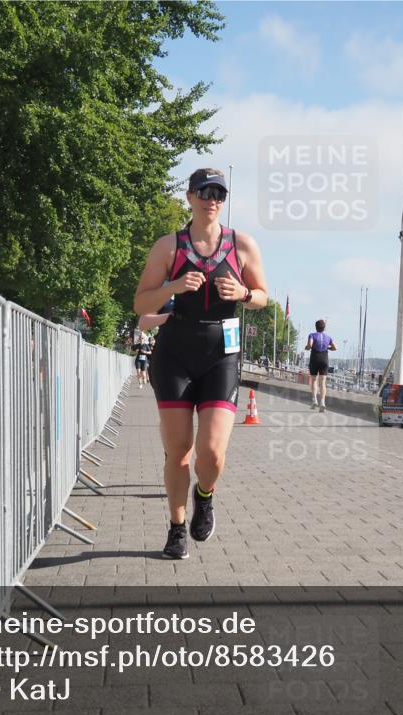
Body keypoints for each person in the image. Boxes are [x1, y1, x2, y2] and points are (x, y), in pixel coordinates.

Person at [134, 168, 268, 560]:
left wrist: (243, 293)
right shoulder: (168, 247)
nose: (212, 199)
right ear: (190, 197)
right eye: (204, 192)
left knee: (211, 454)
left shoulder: (241, 244)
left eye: (219, 194)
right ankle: (177, 528)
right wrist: (174, 287)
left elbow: (263, 295)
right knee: (178, 452)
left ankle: (204, 496)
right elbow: (141, 303)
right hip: (175, 353)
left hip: (221, 354)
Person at [305, 319, 336, 412]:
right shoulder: (328, 337)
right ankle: (322, 402)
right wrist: (328, 347)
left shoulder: (312, 335)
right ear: (324, 328)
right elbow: (335, 347)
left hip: (315, 357)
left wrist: (307, 347)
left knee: (314, 380)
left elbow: (310, 345)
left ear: (316, 327)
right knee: (322, 383)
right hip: (324, 358)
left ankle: (314, 400)